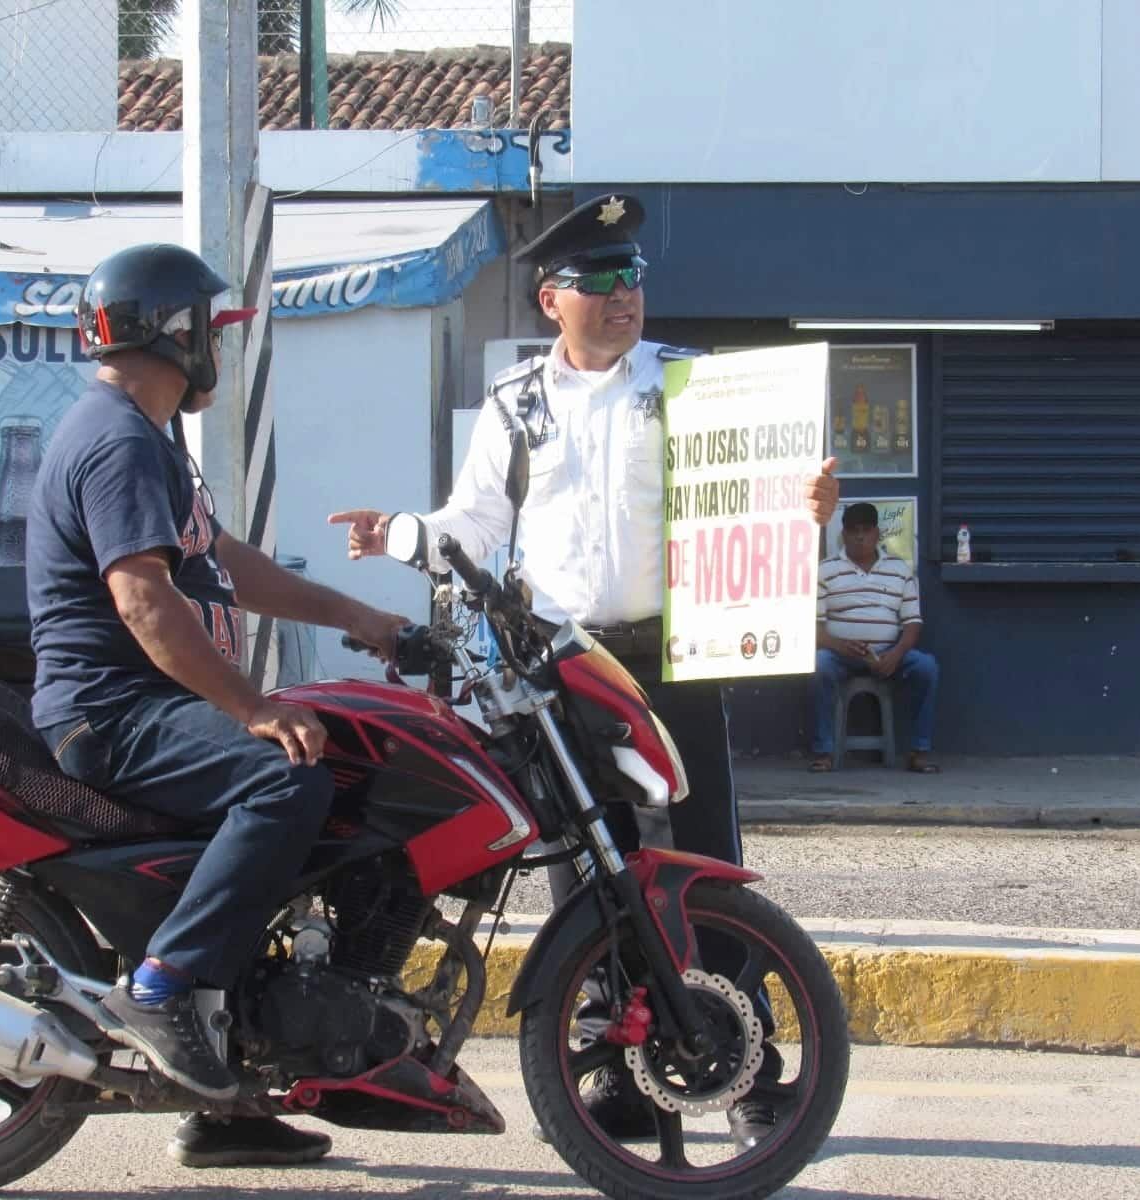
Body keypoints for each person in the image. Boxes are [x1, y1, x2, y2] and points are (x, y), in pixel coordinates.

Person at [329, 194, 839, 1149]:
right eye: (600, 282)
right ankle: (618, 1070)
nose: (623, 298)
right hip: (561, 665)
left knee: (698, 859)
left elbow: (760, 503)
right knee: (584, 870)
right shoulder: (516, 401)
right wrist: (398, 535)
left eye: (633, 277)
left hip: (672, 657)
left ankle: (747, 1063)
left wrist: (803, 505)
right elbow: (473, 525)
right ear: (550, 296)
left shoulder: (693, 383)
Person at [26, 243, 407, 1168]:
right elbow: (144, 601)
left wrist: (365, 619)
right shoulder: (116, 441)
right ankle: (158, 989)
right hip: (112, 712)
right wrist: (252, 709)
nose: (221, 353)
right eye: (213, 334)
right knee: (287, 781)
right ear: (179, 333)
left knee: (333, 793)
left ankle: (227, 1102)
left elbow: (224, 564)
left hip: (136, 702)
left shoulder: (147, 438)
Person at [810, 501, 941, 773]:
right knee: (819, 664)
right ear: (843, 534)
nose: (860, 536)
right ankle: (824, 752)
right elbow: (815, 628)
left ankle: (919, 751)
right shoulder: (825, 570)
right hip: (841, 655)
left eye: (866, 530)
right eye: (853, 530)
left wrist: (896, 654)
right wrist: (840, 646)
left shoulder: (900, 570)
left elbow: (913, 623)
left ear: (877, 534)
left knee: (926, 667)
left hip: (889, 652)